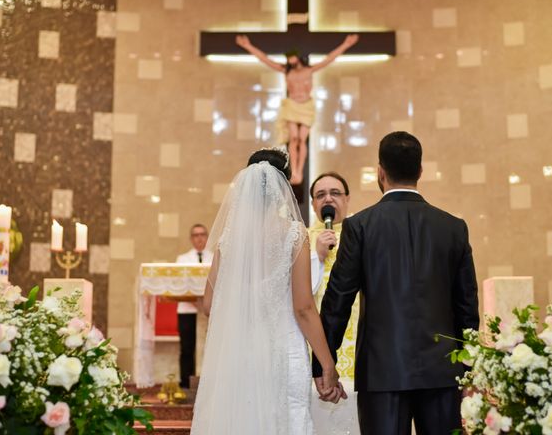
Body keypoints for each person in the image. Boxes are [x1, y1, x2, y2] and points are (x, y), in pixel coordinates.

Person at [311, 131, 480, 435]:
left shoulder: (359, 225)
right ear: (420, 171)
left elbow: (338, 300)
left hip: (381, 372)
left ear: (380, 171)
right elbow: (467, 307)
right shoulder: (453, 228)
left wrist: (324, 363)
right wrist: (469, 371)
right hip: (443, 373)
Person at [191, 148, 344, 435]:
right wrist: (327, 363)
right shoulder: (294, 234)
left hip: (240, 352)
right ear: (283, 186)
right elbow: (303, 308)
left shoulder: (228, 240)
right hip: (283, 352)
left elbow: (210, 303)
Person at [236, 34, 359, 185]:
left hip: (306, 106)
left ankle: (300, 169)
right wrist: (247, 45)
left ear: (298, 57)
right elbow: (265, 59)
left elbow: (329, 59)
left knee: (302, 139)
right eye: (288, 58)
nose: (289, 60)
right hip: (292, 105)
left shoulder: (309, 70)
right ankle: (295, 172)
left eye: (292, 57)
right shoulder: (286, 71)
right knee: (293, 139)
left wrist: (346, 44)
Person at [308, 172, 360, 434]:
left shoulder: (362, 233)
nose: (328, 199)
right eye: (320, 195)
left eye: (335, 193)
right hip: (313, 344)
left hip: (360, 343)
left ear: (347, 199)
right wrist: (315, 256)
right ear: (313, 204)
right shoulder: (301, 239)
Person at [175, 224, 213, 388]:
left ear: (207, 236)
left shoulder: (214, 257)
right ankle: (185, 383)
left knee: (212, 347)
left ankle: (210, 383)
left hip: (210, 311)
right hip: (187, 309)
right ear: (191, 239)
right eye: (196, 235)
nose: (199, 238)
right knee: (187, 347)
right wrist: (195, 300)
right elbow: (179, 284)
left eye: (202, 234)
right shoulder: (182, 259)